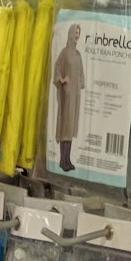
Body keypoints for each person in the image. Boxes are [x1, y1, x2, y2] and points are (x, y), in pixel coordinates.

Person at [52, 24, 84, 171]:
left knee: (70, 128)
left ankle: (68, 159)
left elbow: (81, 74)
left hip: (75, 96)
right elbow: (57, 68)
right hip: (66, 96)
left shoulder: (78, 55)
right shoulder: (64, 53)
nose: (77, 35)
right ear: (70, 33)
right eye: (75, 33)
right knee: (65, 127)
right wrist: (62, 79)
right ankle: (62, 160)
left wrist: (79, 86)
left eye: (78, 33)